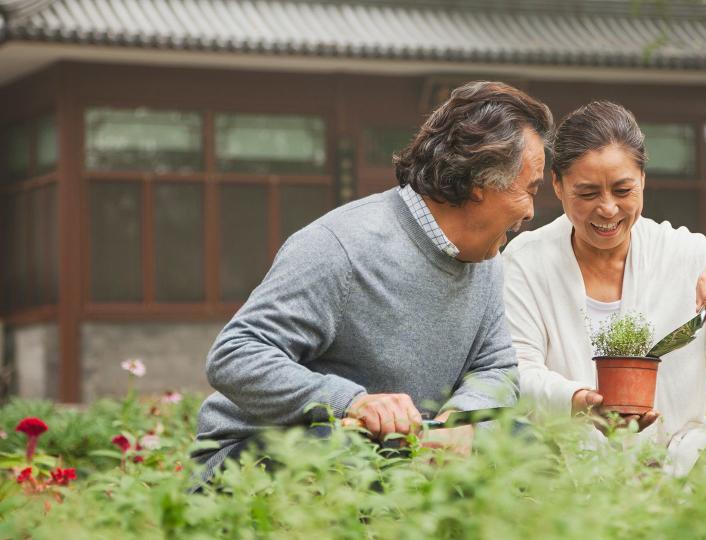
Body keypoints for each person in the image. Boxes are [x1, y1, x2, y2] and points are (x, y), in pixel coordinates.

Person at [193, 81, 554, 481]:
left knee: (527, 447)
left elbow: (497, 366)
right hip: (260, 453)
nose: (531, 212)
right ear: (478, 183)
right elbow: (234, 355)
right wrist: (352, 403)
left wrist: (461, 420)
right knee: (356, 455)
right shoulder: (342, 246)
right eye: (529, 190)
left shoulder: (486, 261)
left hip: (398, 451)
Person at [502, 101, 706, 475]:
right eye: (588, 193)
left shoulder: (683, 256)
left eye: (623, 190)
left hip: (676, 459)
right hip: (566, 460)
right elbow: (516, 372)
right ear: (557, 186)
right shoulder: (528, 260)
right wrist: (580, 401)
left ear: (643, 180)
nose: (608, 209)